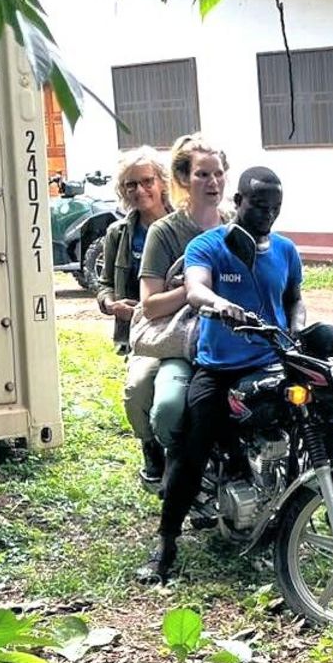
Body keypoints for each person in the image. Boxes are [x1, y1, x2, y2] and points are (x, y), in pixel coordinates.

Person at [136, 166, 302, 584]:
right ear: (239, 202)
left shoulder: (285, 250)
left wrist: (298, 327)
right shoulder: (208, 245)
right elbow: (195, 288)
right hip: (219, 367)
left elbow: (294, 299)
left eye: (275, 208)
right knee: (191, 447)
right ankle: (166, 543)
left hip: (271, 361)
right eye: (260, 205)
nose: (268, 214)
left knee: (305, 424)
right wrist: (216, 303)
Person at [132, 134, 230, 480]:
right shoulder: (165, 232)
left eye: (218, 173)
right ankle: (177, 470)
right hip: (182, 339)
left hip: (232, 337)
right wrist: (192, 290)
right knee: (169, 408)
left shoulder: (237, 224)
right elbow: (150, 306)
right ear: (183, 179)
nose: (213, 182)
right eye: (202, 174)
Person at [95, 147, 177, 481]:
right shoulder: (118, 233)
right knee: (138, 389)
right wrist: (111, 304)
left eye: (146, 182)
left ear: (162, 183)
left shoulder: (182, 224)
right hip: (141, 333)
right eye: (131, 185)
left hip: (183, 326)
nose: (140, 191)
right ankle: (151, 447)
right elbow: (102, 285)